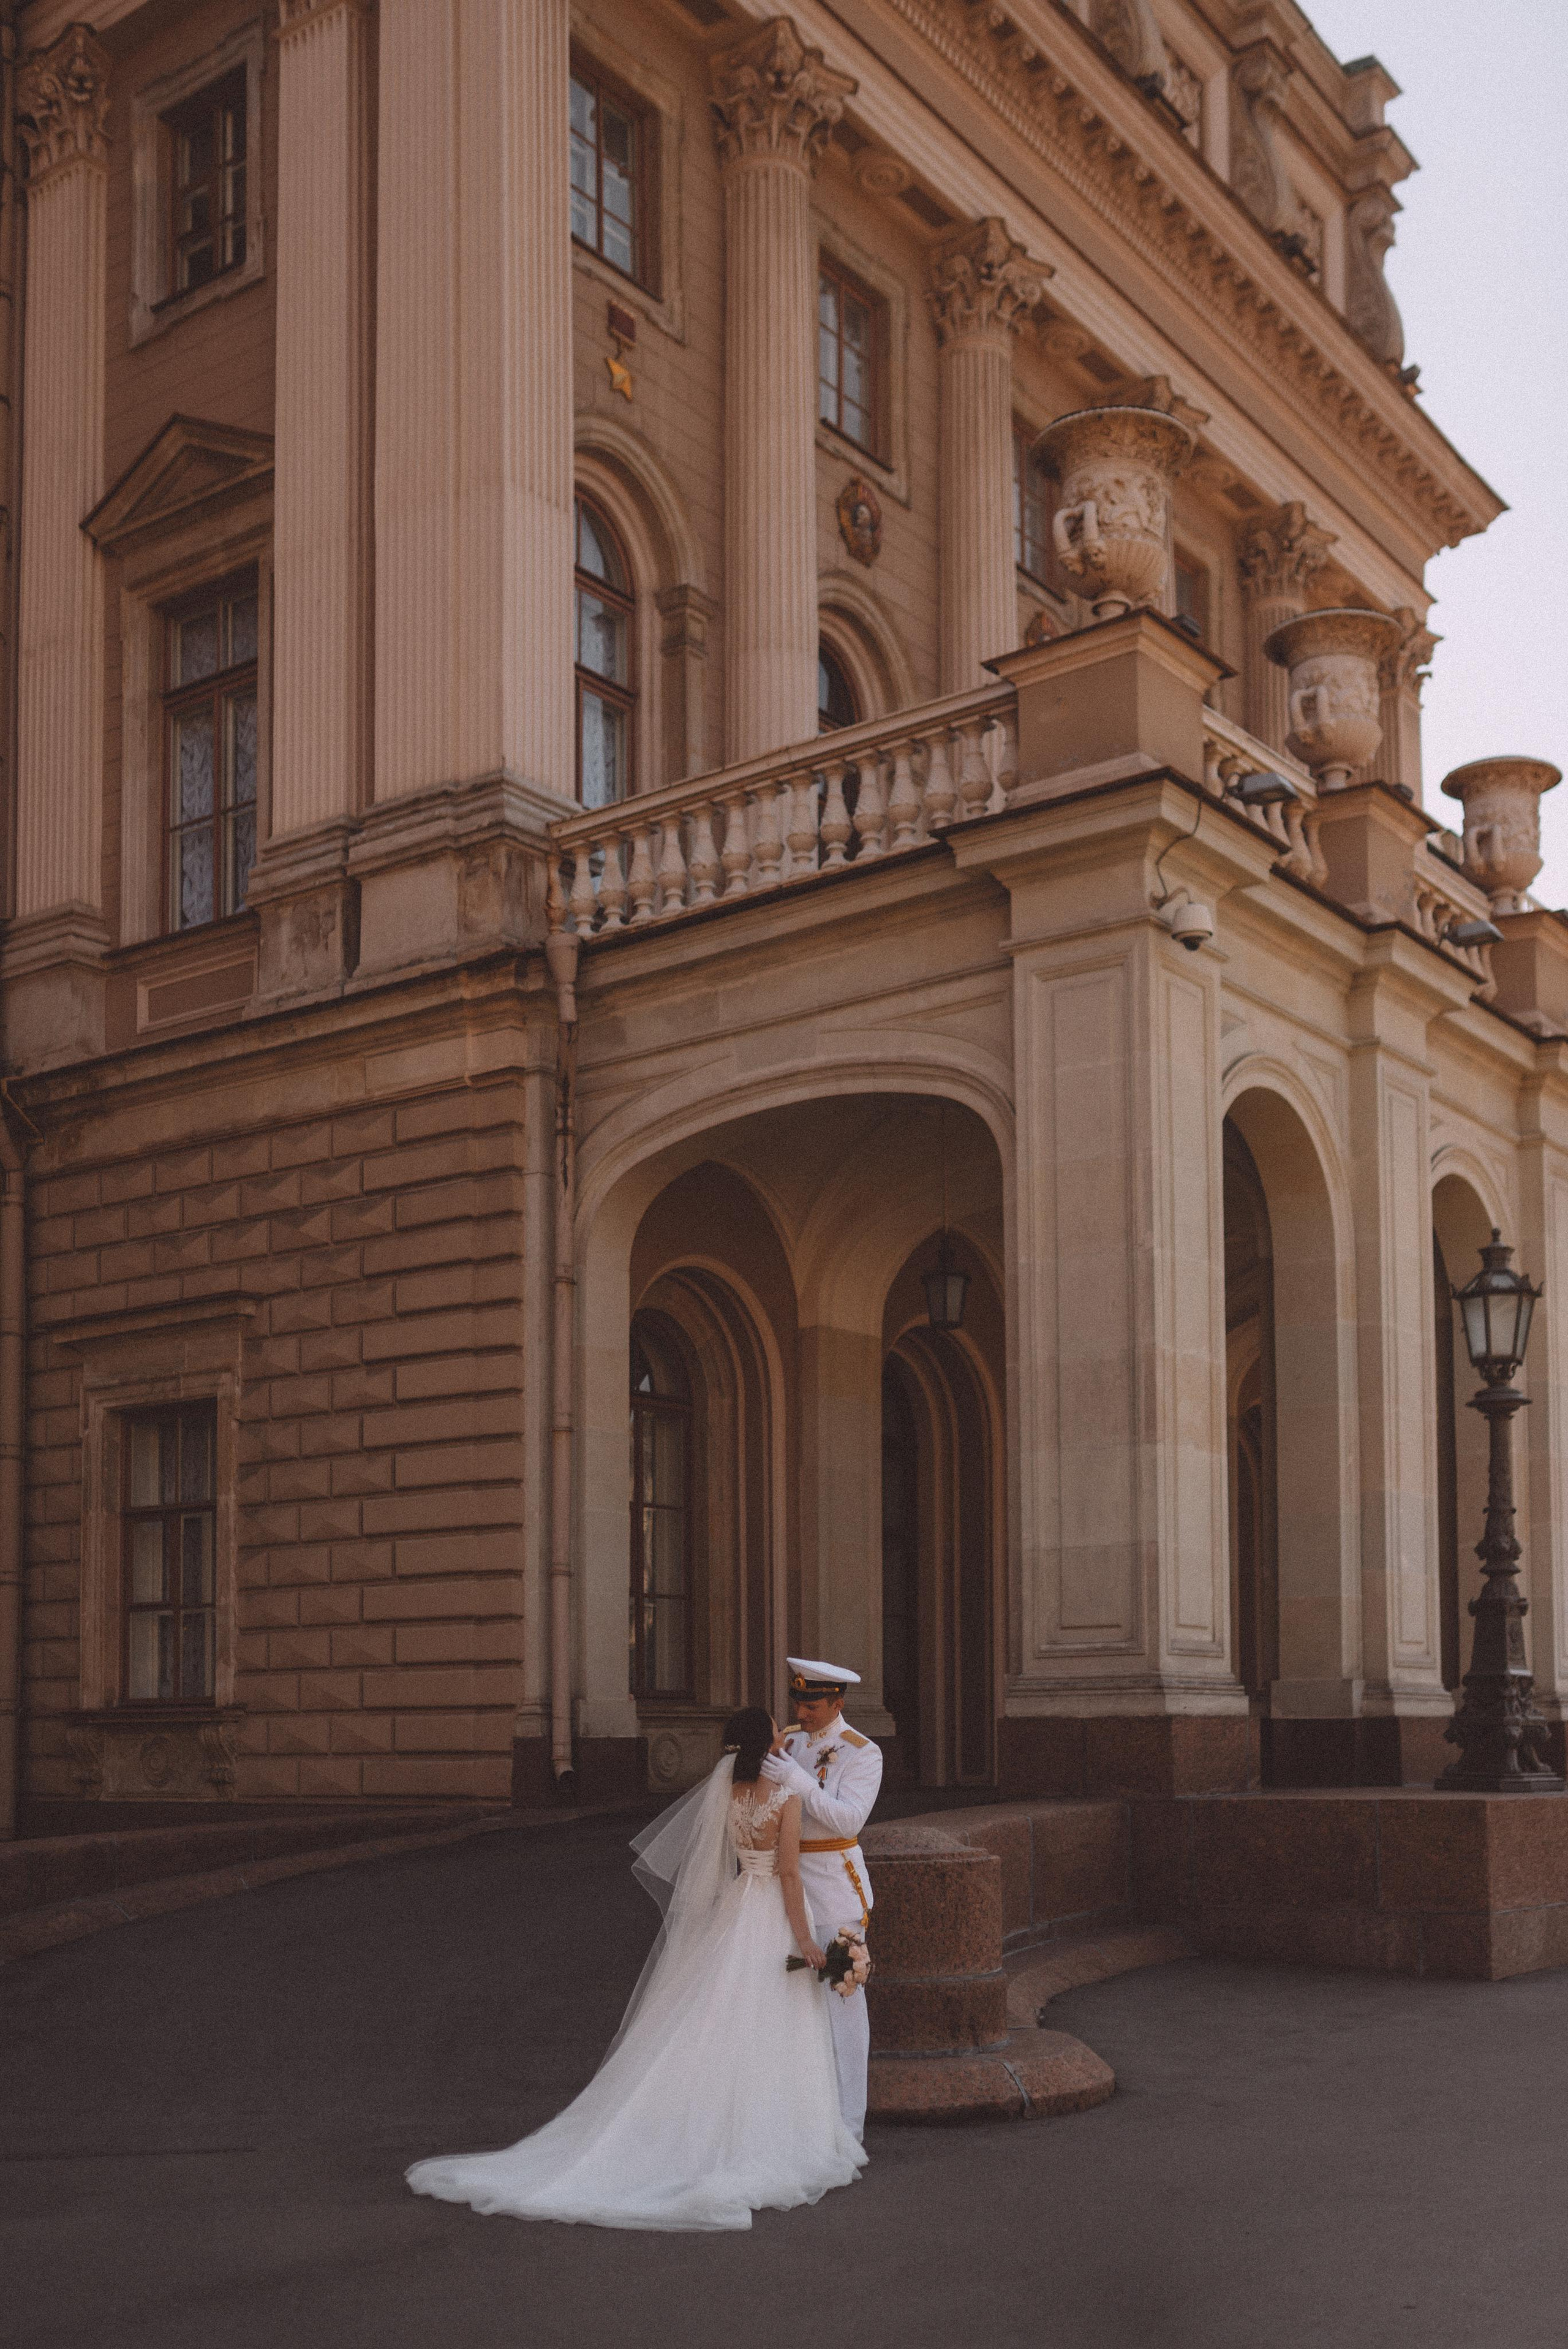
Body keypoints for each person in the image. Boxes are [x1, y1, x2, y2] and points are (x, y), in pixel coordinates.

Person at [404, 1707, 865, 2232]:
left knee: (718, 2016)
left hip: (737, 1906)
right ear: (767, 1742)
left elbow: (729, 1857)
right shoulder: (785, 1797)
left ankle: (701, 2120)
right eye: (777, 1730)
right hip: (771, 1913)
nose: (785, 1732)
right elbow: (789, 1874)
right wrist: (804, 1939)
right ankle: (771, 2134)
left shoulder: (730, 1792)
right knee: (771, 2020)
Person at [761, 1657, 884, 2138]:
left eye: (811, 1705)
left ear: (837, 1702)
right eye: (798, 1702)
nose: (801, 1712)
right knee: (790, 1998)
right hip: (784, 1884)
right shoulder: (789, 1742)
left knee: (843, 1997)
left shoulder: (862, 1752)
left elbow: (849, 1819)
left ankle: (850, 2126)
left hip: (834, 1887)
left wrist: (799, 1782)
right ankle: (803, 2120)